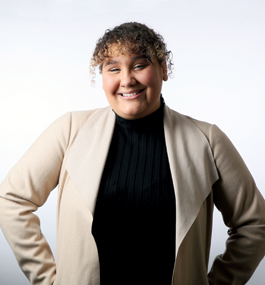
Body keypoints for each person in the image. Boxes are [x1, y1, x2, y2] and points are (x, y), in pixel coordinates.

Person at [0, 22, 265, 285]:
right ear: (102, 77)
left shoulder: (207, 139)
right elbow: (11, 199)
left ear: (163, 69)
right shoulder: (70, 131)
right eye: (113, 68)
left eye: (139, 65)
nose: (127, 79)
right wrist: (49, 279)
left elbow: (255, 224)